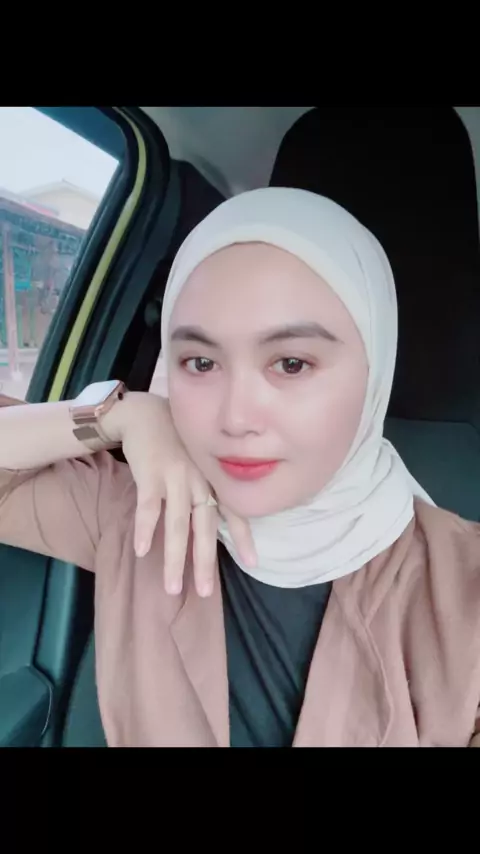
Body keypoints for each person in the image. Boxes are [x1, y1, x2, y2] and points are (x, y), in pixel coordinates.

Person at [1, 187, 479, 748]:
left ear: (375, 371)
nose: (235, 418)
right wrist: (119, 416)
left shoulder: (463, 588)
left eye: (291, 363)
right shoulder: (140, 512)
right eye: (200, 362)